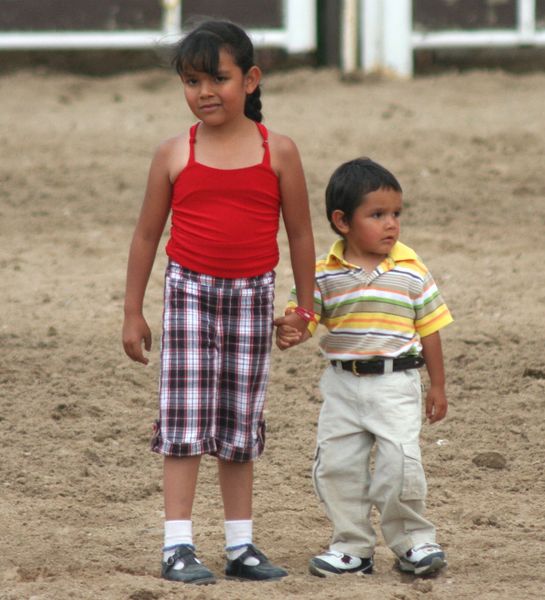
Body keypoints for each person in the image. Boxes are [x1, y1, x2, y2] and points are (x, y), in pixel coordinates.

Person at [122, 19, 315, 585]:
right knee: (184, 420)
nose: (204, 92)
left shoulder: (279, 151)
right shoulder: (172, 154)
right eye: (191, 80)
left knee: (239, 423)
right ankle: (177, 545)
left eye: (219, 78)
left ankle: (240, 545)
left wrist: (305, 310)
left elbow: (300, 234)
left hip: (254, 299)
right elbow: (145, 236)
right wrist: (132, 311)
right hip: (188, 296)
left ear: (251, 80)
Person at [276, 157, 453, 578]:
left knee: (400, 465)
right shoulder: (321, 273)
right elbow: (306, 318)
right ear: (342, 221)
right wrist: (292, 331)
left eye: (396, 214)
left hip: (396, 384)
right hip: (342, 387)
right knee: (337, 467)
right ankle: (352, 546)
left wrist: (438, 386)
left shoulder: (411, 271)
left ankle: (413, 542)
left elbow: (431, 330)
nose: (391, 224)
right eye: (377, 215)